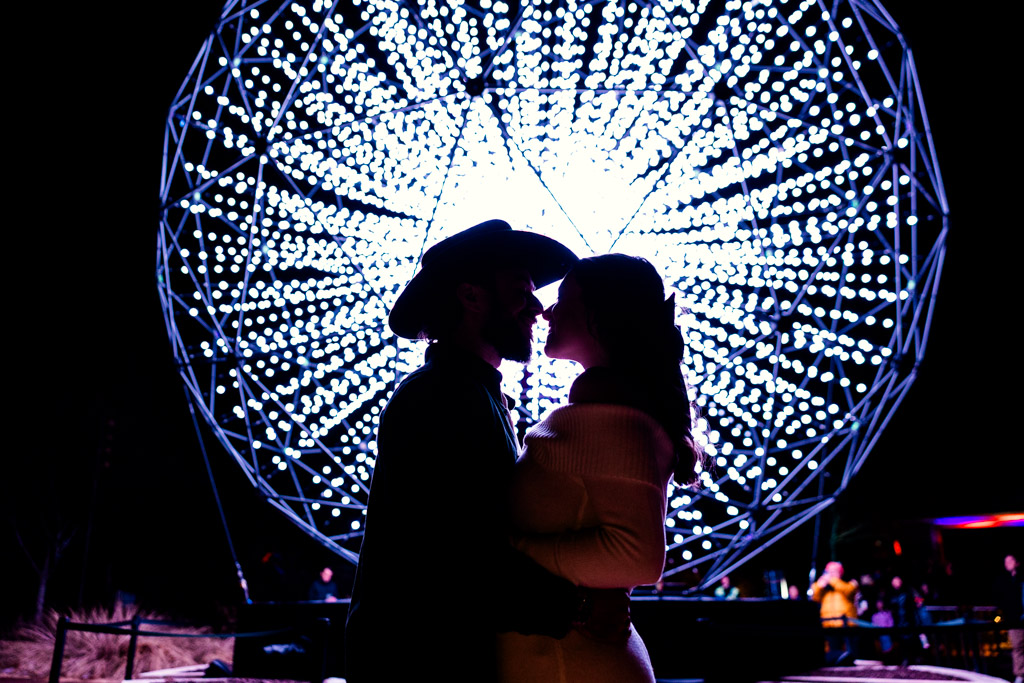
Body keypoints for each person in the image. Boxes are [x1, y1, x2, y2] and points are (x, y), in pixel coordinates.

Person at [344, 220, 627, 683]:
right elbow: (457, 552)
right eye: (521, 289)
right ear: (471, 297)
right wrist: (577, 608)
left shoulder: (473, 394)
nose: (538, 307)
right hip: (420, 661)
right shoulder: (441, 397)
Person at [496, 254, 704, 682]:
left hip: (576, 665)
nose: (546, 310)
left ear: (600, 315)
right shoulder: (605, 412)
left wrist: (510, 547)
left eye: (564, 298)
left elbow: (640, 557)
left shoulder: (612, 419)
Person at [812, 561, 859, 662]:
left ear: (840, 572)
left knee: (851, 651)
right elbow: (814, 596)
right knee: (833, 651)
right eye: (829, 571)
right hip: (829, 624)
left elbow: (849, 591)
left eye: (834, 571)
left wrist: (833, 581)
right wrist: (820, 585)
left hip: (846, 624)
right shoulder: (824, 587)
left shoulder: (848, 582)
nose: (831, 574)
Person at [996, 554, 1024, 683]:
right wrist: (999, 618)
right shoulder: (1005, 582)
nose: (1007, 563)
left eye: (1010, 560)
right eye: (1005, 561)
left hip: (1018, 618)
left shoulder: (1020, 579)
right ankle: (1020, 674)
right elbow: (1003, 603)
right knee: (1018, 647)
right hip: (1015, 621)